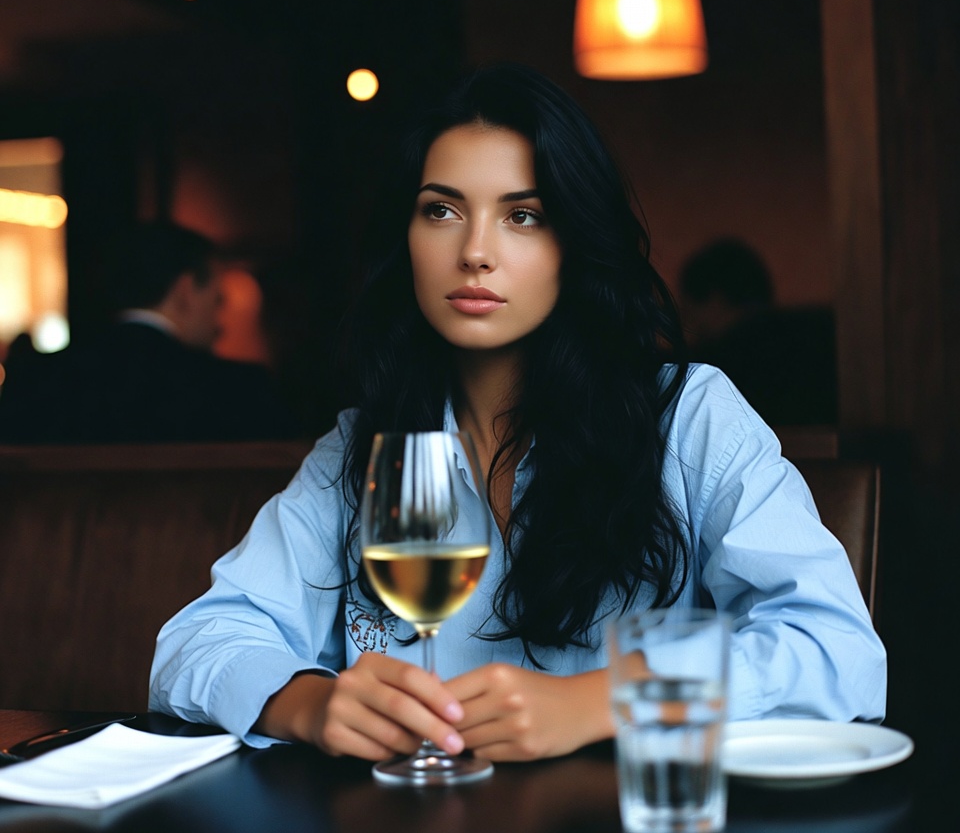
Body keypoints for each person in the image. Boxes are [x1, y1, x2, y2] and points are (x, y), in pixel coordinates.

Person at [149, 64, 885, 763]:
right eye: (441, 210)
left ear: (575, 244)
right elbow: (197, 641)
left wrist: (604, 702)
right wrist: (306, 704)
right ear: (405, 239)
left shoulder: (687, 416)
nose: (474, 251)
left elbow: (838, 652)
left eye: (523, 216)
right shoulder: (360, 450)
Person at [0, 221, 298, 443]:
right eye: (218, 299)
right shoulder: (240, 389)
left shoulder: (35, 378)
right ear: (185, 290)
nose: (219, 321)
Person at [679, 239, 838, 425]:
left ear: (715, 300)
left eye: (688, 314)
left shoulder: (720, 363)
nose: (688, 328)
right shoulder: (821, 336)